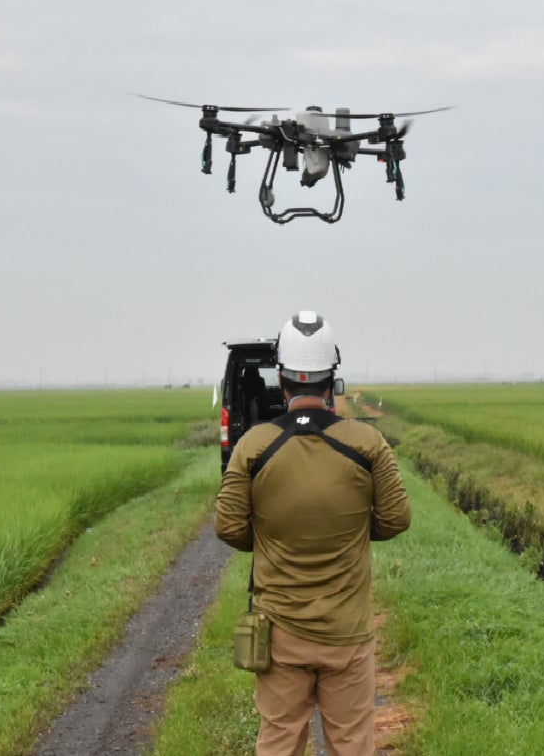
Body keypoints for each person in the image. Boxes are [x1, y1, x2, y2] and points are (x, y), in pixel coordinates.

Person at [216, 310, 410, 756]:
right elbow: (396, 518)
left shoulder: (253, 446)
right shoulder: (367, 445)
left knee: (279, 743)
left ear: (282, 382)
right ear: (332, 382)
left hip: (280, 632)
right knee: (351, 745)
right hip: (348, 633)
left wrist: (268, 538)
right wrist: (353, 533)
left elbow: (228, 525)